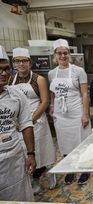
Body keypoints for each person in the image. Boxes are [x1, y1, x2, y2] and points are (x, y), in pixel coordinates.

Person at [9, 48, 56, 194]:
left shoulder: (39, 79)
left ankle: (49, 171)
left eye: (24, 61)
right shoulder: (10, 80)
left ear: (30, 62)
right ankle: (33, 179)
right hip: (18, 122)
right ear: (14, 63)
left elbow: (45, 101)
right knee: (26, 152)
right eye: (18, 61)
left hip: (37, 119)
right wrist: (15, 120)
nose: (21, 64)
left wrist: (31, 120)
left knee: (42, 150)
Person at [48, 39, 91, 185]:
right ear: (55, 55)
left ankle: (85, 169)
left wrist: (85, 114)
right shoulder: (51, 73)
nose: (63, 56)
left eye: (65, 53)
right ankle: (70, 168)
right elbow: (53, 93)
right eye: (59, 53)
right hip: (60, 115)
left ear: (69, 54)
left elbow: (85, 94)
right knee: (65, 143)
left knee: (82, 141)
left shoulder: (79, 71)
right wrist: (52, 106)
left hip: (76, 112)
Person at [0, 45, 36, 201]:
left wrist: (31, 153)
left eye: (7, 69)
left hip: (14, 154)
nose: (4, 73)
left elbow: (26, 124)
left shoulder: (16, 94)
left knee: (19, 195)